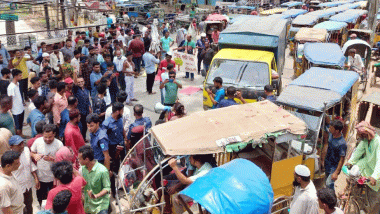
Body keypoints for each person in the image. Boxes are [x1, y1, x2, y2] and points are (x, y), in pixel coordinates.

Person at [346, 121, 380, 213]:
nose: (361, 136)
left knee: (372, 202)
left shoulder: (378, 142)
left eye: (362, 134)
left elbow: (379, 162)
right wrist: (350, 162)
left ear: (366, 133)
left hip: (376, 177)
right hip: (367, 172)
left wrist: (374, 177)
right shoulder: (365, 141)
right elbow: (358, 152)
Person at [31, 124, 63, 206]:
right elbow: (31, 152)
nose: (47, 139)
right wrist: (35, 155)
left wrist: (52, 159)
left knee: (54, 198)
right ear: (42, 134)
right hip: (41, 177)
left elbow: (63, 162)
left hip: (54, 178)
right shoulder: (38, 141)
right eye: (45, 137)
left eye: (50, 137)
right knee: (41, 198)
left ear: (54, 134)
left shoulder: (59, 144)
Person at [9, 135, 39, 214]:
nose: (22, 146)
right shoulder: (9, 158)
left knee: (29, 206)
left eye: (22, 143)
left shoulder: (26, 150)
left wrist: (36, 178)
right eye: (19, 144)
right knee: (21, 209)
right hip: (18, 189)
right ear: (11, 146)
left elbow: (30, 164)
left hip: (28, 186)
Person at [79, 145, 111, 214]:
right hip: (89, 206)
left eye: (80, 159)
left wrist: (95, 196)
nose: (79, 161)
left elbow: (107, 188)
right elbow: (85, 183)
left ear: (87, 159)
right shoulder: (83, 169)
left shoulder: (102, 171)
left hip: (101, 206)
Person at [102, 102, 125, 197]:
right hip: (112, 150)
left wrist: (126, 140)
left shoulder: (120, 119)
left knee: (121, 168)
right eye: (122, 111)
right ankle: (113, 192)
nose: (123, 112)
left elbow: (122, 129)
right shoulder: (106, 124)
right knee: (111, 171)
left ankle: (121, 186)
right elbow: (103, 141)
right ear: (117, 112)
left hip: (121, 147)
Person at [321, 120, 346, 190]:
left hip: (334, 167)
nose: (329, 129)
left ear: (337, 130)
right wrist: (323, 159)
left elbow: (342, 159)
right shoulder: (331, 135)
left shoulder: (342, 143)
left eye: (331, 128)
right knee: (326, 182)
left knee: (329, 183)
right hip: (327, 164)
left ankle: (333, 199)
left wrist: (336, 172)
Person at [7, 69, 25, 136]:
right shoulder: (11, 87)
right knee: (17, 126)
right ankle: (18, 137)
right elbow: (10, 99)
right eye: (20, 75)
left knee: (21, 124)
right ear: (15, 76)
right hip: (15, 110)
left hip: (21, 107)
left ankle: (21, 135)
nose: (21, 76)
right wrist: (10, 109)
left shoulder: (18, 84)